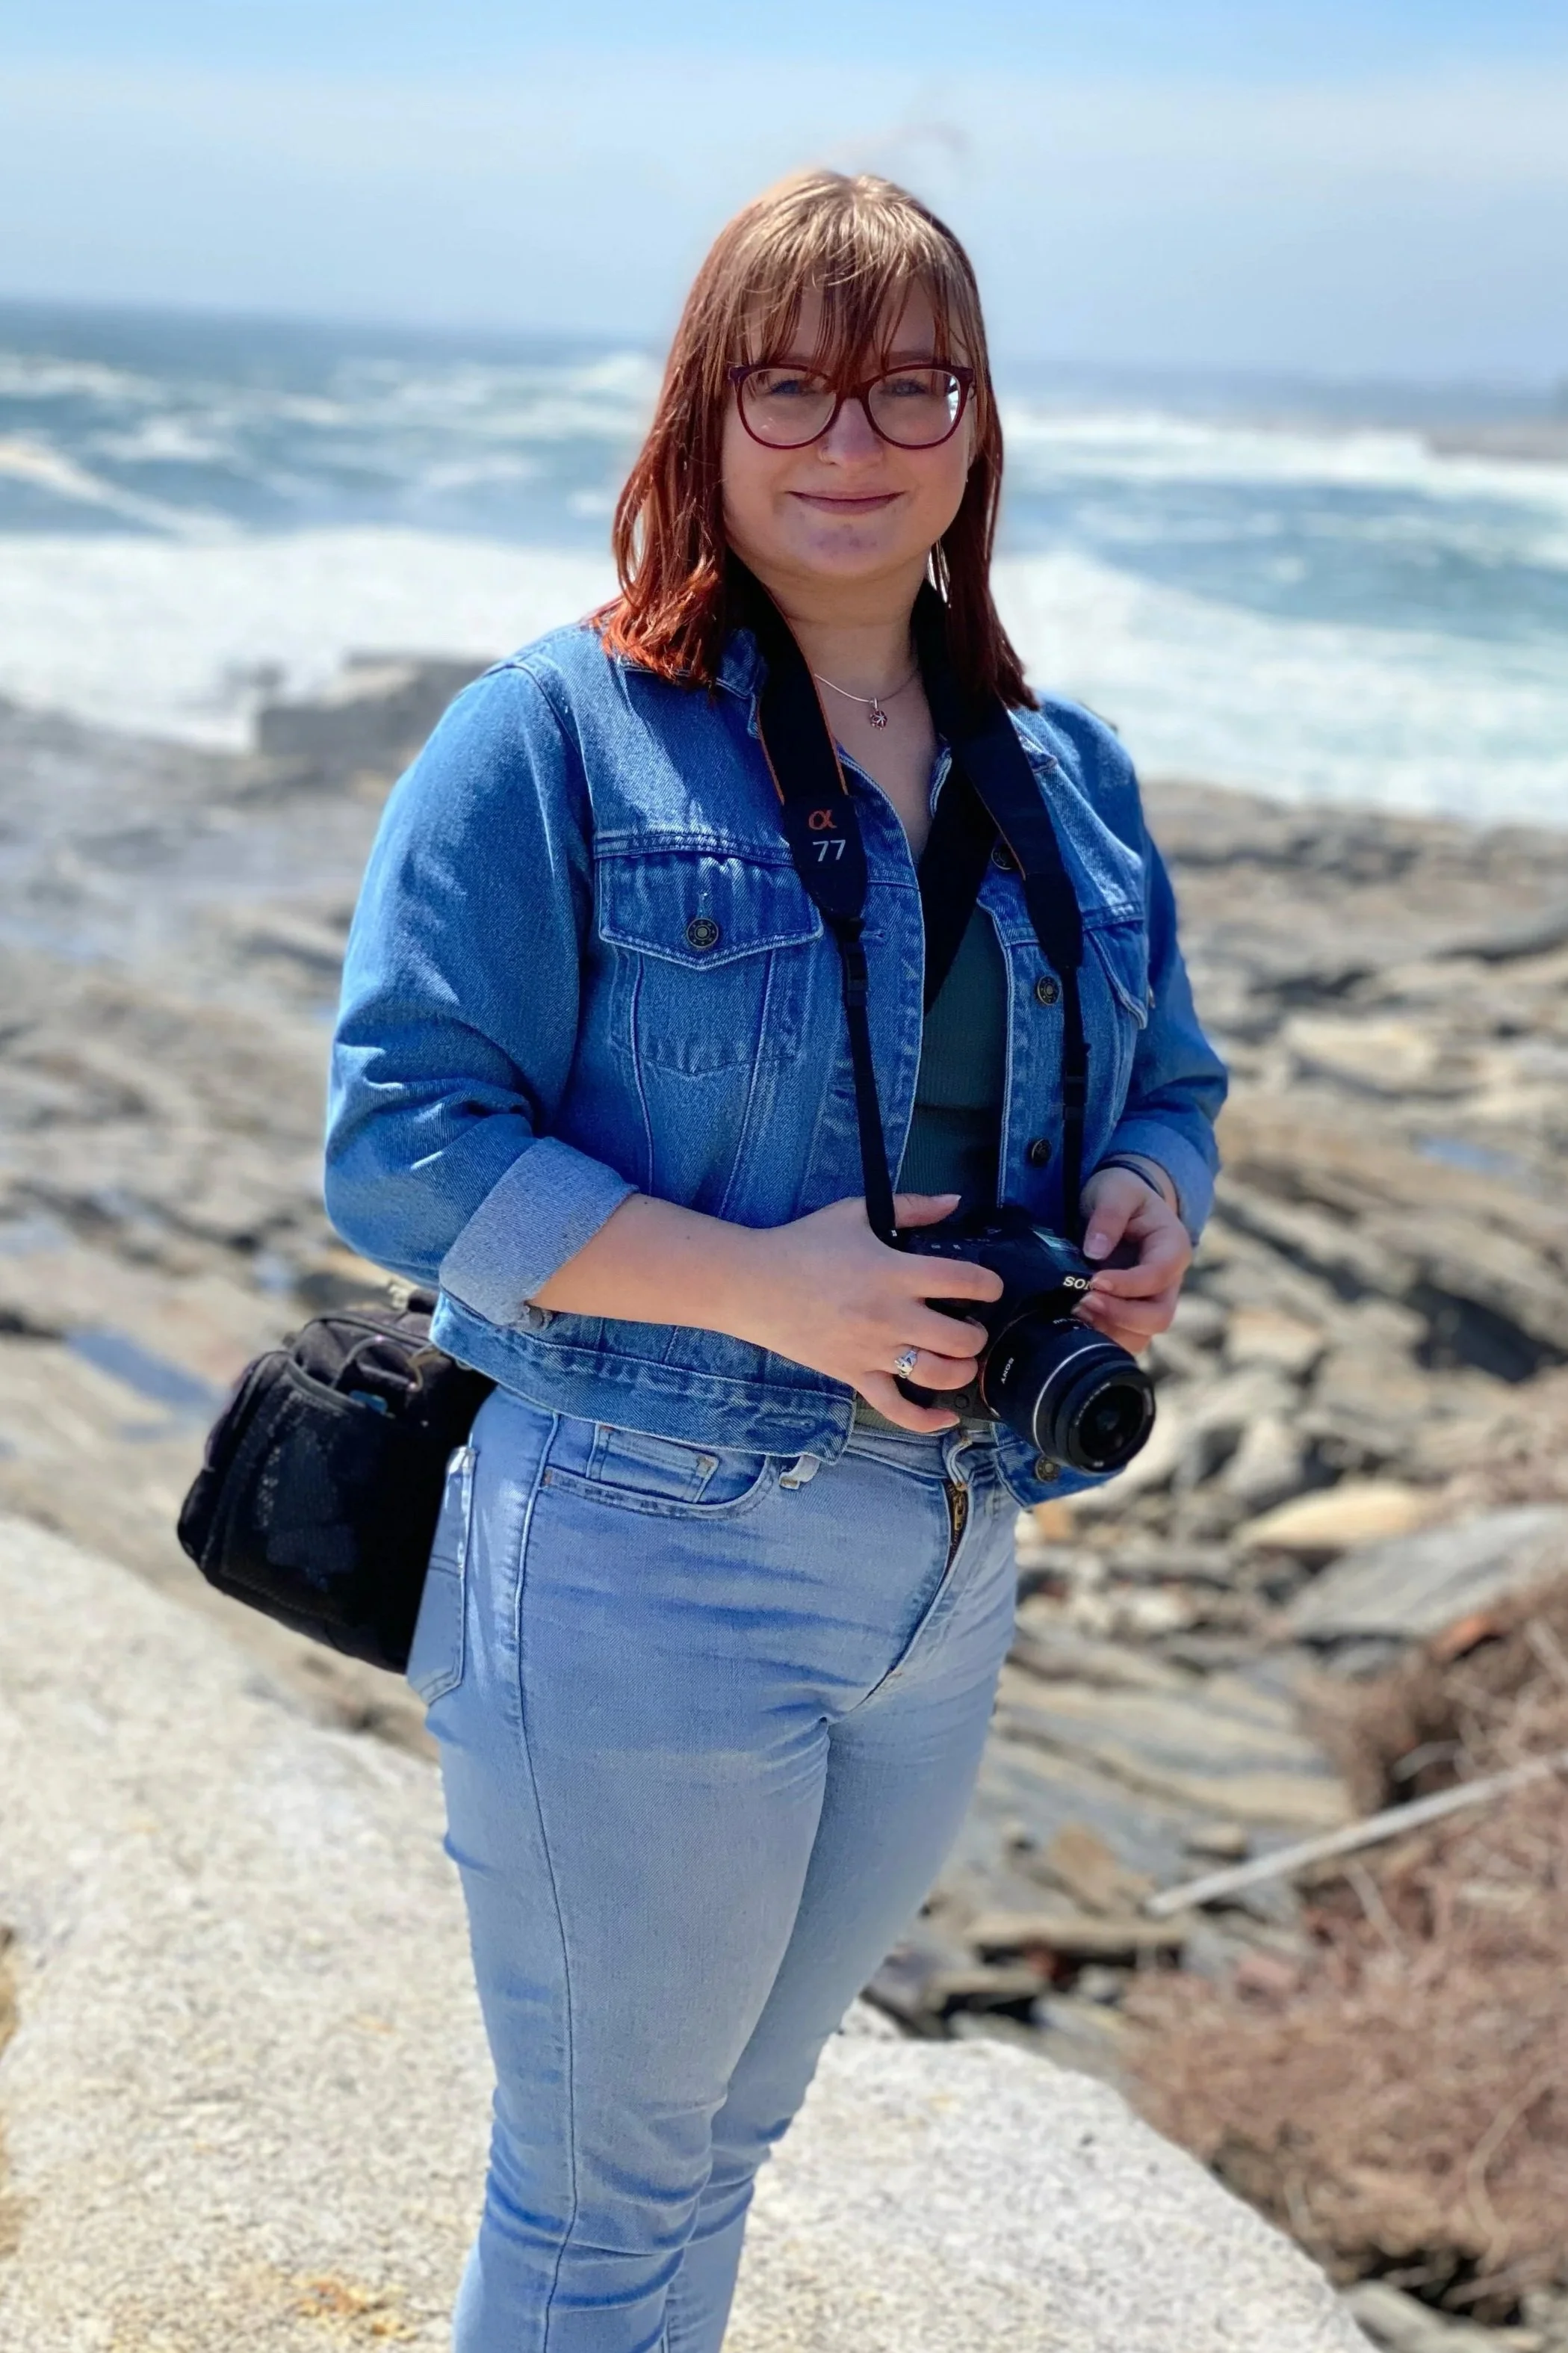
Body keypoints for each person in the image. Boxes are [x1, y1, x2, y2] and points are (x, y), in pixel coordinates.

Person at [325, 167, 1226, 2353]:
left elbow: (1171, 1078)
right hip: (642, 1550)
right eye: (791, 385)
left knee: (723, 2137)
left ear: (976, 427)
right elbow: (400, 1144)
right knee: (597, 2185)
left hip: (951, 1556)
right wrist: (765, 1286)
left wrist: (1151, 1199)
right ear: (702, 424)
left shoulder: (1070, 774)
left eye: (911, 383)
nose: (853, 439)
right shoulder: (550, 741)